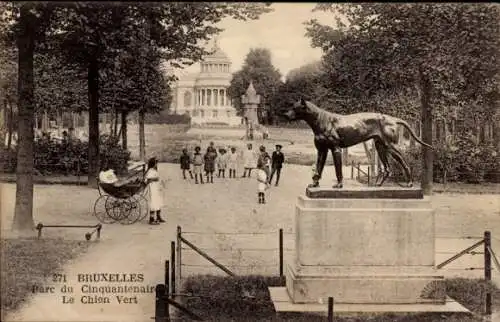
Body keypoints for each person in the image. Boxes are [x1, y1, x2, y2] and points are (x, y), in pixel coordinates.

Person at [145, 157, 165, 225]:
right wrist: (155, 179)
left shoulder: (154, 170)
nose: (157, 165)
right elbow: (147, 181)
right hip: (153, 189)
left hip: (157, 189)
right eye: (156, 163)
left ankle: (158, 216)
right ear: (153, 164)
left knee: (158, 202)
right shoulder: (150, 171)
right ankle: (151, 219)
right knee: (153, 203)